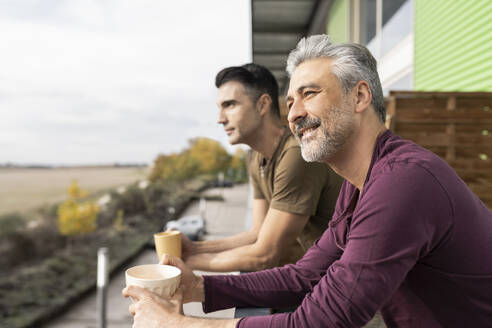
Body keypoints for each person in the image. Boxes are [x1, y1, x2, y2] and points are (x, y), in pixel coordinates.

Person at [123, 35, 492, 327]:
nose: (295, 113)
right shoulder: (358, 185)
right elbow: (305, 274)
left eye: (309, 94)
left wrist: (177, 323)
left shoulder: (402, 182)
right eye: (291, 101)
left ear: (360, 96)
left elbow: (321, 320)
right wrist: (198, 287)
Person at [179, 63, 342, 272]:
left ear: (263, 105)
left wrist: (184, 263)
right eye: (220, 107)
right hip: (312, 277)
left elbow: (265, 254)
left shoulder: (296, 155)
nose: (220, 119)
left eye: (230, 105)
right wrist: (194, 249)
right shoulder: (256, 157)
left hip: (340, 282)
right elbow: (257, 232)